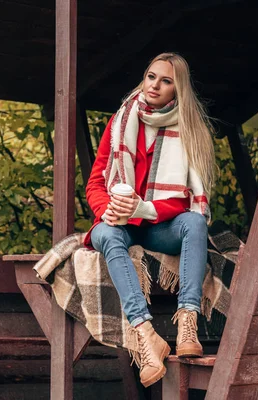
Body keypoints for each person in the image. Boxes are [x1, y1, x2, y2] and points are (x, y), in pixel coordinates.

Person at [84, 53, 216, 388]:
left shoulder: (188, 130)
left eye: (166, 80)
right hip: (120, 224)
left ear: (177, 90)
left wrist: (141, 209)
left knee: (195, 223)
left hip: (157, 227)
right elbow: (96, 183)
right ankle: (146, 334)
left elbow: (184, 200)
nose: (155, 85)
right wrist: (107, 210)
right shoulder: (121, 121)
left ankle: (188, 321)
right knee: (106, 234)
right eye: (151, 76)